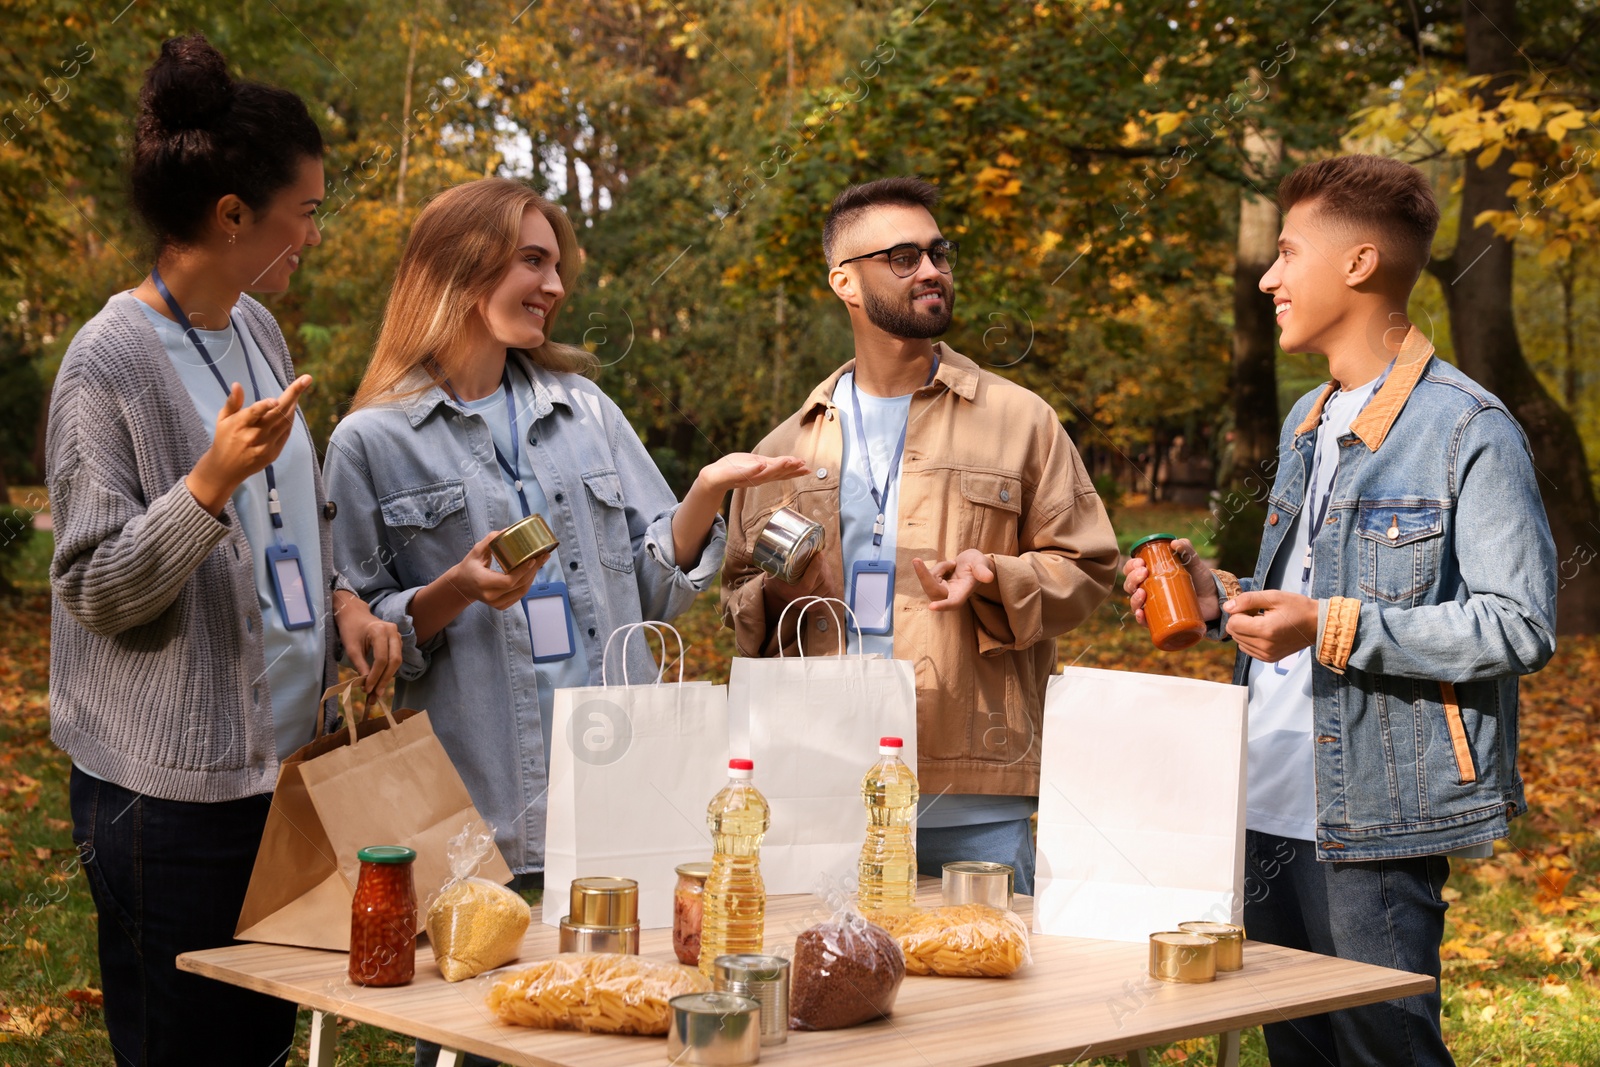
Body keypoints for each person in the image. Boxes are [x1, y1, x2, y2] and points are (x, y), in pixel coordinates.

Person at [1124, 155, 1556, 1066]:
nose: (1268, 277)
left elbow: (1519, 623)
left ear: (1358, 265)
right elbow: (1309, 588)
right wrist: (1220, 601)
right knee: (1299, 1053)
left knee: (1381, 1052)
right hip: (1265, 801)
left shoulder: (1468, 429)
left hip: (1376, 816)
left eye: (1286, 253)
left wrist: (1327, 625)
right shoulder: (1309, 420)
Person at [46, 34, 400, 1067]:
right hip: (170, 796)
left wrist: (341, 606)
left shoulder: (257, 330)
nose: (316, 235)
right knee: (183, 1044)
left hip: (276, 769)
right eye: (309, 211)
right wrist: (206, 484)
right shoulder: (105, 362)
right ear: (233, 215)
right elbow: (96, 589)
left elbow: (294, 525)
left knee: (257, 1034)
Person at [322, 170, 804, 916]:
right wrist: (456, 589)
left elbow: (651, 594)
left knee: (616, 1012)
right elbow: (362, 636)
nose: (554, 285)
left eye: (555, 266)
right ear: (461, 266)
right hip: (478, 814)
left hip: (621, 789)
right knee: (475, 1028)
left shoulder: (587, 410)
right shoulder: (369, 442)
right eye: (532, 261)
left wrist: (706, 492)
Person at [721, 177, 1119, 896]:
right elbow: (736, 600)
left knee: (990, 998)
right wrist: (779, 590)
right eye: (902, 256)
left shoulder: (1021, 420)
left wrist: (998, 576)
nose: (931, 269)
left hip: (971, 793)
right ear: (845, 280)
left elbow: (1088, 567)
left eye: (938, 252)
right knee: (832, 995)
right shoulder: (783, 447)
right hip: (820, 783)